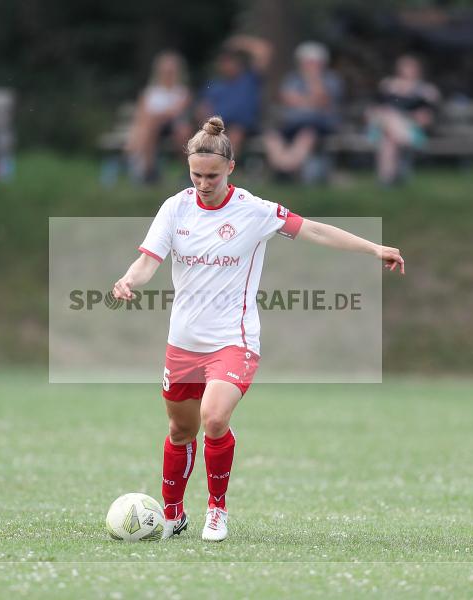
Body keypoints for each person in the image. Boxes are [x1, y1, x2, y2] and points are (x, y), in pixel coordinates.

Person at [111, 116, 405, 542]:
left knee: (214, 419)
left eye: (212, 175)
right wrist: (128, 280)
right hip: (183, 343)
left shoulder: (255, 211)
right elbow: (147, 262)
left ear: (231, 168)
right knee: (181, 430)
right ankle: (172, 512)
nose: (203, 183)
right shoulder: (175, 208)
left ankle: (216, 510)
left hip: (234, 340)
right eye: (196, 174)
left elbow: (315, 230)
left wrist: (373, 247)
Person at [263, 41, 343, 181]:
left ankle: (286, 171)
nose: (308, 65)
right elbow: (287, 98)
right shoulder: (292, 78)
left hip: (319, 124)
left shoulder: (331, 79)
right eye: (306, 62)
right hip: (291, 123)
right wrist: (310, 101)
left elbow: (322, 100)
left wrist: (313, 80)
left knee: (306, 135)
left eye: (312, 62)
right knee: (272, 136)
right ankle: (283, 167)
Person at [367, 55, 441, 185]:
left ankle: (386, 180)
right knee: (389, 130)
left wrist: (423, 116)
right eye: (405, 67)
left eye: (411, 67)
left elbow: (430, 115)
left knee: (389, 137)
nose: (409, 70)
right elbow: (374, 107)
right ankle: (388, 180)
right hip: (387, 128)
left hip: (412, 131)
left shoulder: (427, 90)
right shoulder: (388, 85)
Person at [197, 35, 272, 159]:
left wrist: (241, 43)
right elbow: (204, 107)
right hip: (217, 126)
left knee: (235, 133)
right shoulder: (214, 84)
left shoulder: (250, 79)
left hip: (244, 126)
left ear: (239, 63)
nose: (227, 65)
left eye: (231, 61)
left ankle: (222, 169)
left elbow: (264, 51)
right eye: (224, 62)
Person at [125, 51, 192, 183]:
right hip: (152, 128)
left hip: (173, 126)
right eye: (165, 71)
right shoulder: (150, 92)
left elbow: (177, 112)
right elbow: (141, 115)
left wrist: (158, 115)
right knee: (149, 127)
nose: (168, 75)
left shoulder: (182, 92)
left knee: (181, 131)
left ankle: (188, 171)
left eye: (171, 71)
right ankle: (149, 170)